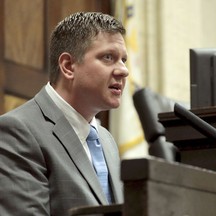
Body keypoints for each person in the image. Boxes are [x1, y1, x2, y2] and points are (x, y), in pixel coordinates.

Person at [0, 11, 128, 216]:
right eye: (108, 57)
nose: (123, 70)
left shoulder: (106, 140)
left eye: (123, 60)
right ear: (68, 66)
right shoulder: (18, 131)